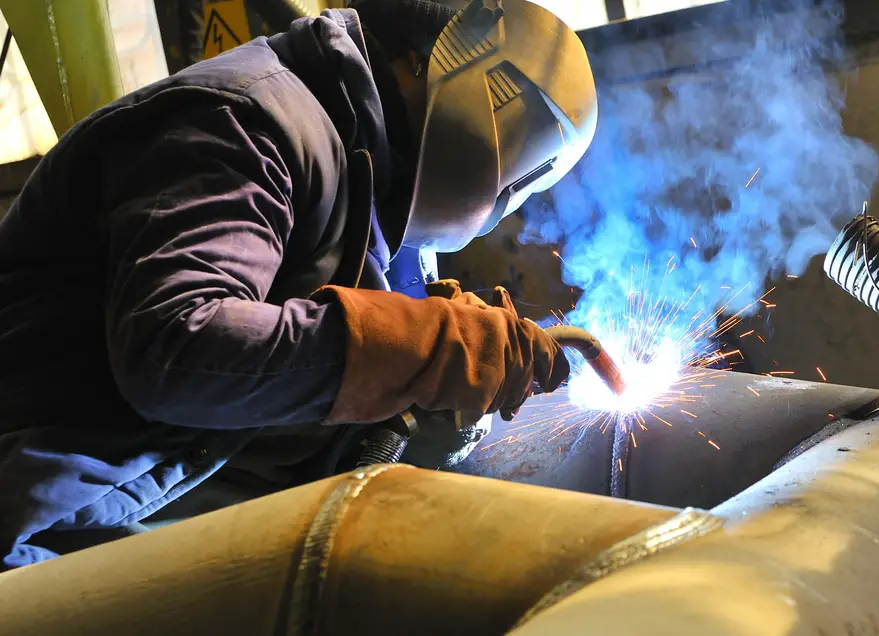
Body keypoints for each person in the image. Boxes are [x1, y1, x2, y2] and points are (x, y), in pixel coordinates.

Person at [0, 0, 598, 570]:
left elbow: (345, 448)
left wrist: (433, 419)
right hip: (43, 531)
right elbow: (174, 345)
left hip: (184, 536)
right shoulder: (244, 120)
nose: (505, 196)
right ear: (434, 59)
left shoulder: (387, 217)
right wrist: (422, 347)